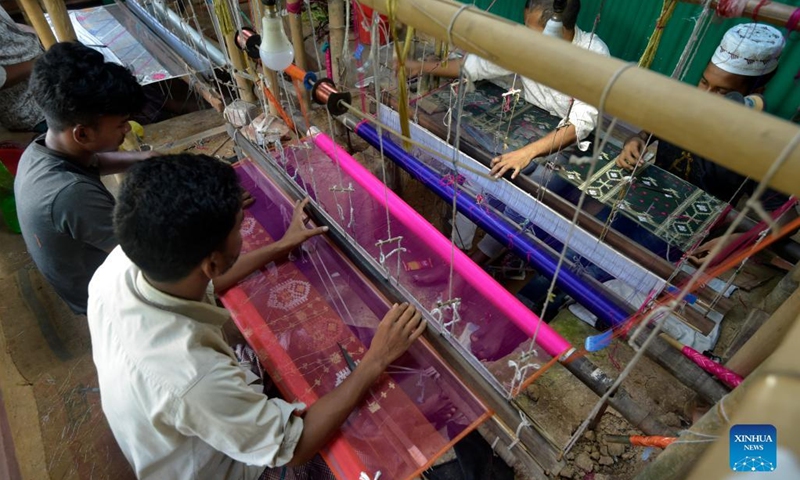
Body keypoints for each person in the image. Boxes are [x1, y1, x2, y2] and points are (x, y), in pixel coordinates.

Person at [87, 154, 426, 479]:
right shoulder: (194, 375)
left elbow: (209, 279)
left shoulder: (121, 265)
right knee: (364, 450)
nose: (244, 229)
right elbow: (296, 447)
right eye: (239, 227)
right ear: (211, 262)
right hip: (221, 469)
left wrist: (282, 245)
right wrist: (375, 359)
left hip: (173, 423)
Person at [615, 23, 792, 261]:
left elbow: (786, 218)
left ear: (755, 91)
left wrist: (739, 240)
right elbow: (646, 134)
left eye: (721, 91)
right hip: (645, 197)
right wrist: (635, 141)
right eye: (704, 82)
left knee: (608, 267)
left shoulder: (759, 145)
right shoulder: (684, 105)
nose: (704, 97)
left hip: (685, 227)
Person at [14, 42, 153, 314]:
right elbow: (149, 259)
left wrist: (145, 159)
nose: (127, 129)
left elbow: (94, 161)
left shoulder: (41, 149)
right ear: (83, 134)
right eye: (121, 124)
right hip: (104, 301)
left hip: (83, 273)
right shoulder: (72, 195)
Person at [404, 0, 609, 180]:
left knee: (531, 181)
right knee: (477, 151)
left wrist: (526, 154)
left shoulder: (594, 56)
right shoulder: (528, 45)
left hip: (569, 142)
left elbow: (580, 123)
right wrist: (422, 67)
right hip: (529, 125)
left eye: (532, 31)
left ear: (558, 30)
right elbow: (478, 66)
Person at [0, 6, 45, 133]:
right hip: (30, 105)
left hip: (41, 59)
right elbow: (1, 77)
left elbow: (6, 26)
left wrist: (41, 32)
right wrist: (41, 62)